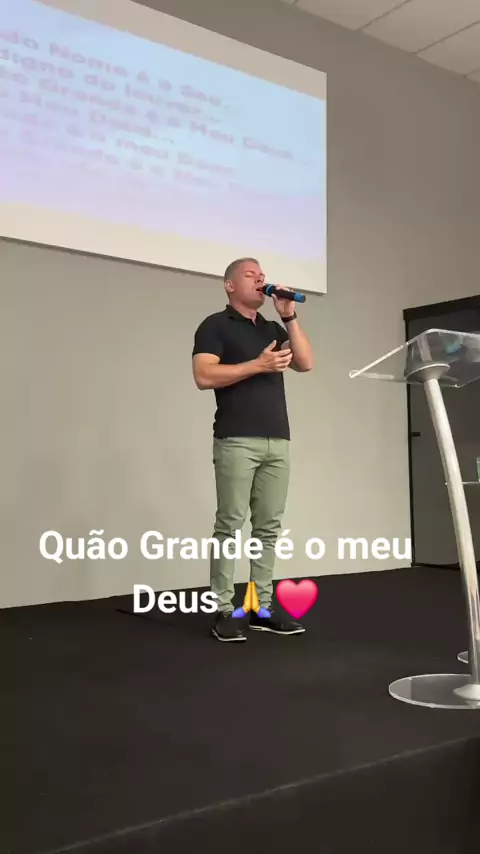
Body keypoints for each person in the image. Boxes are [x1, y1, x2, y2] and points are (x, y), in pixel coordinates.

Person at [192, 258, 314, 642]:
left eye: (262, 275)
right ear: (229, 285)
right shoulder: (215, 325)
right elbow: (203, 375)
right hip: (236, 439)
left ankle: (260, 607)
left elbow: (306, 363)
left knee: (268, 528)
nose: (261, 279)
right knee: (229, 524)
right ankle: (223, 609)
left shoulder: (272, 328)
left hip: (277, 439)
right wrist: (257, 365)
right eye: (250, 275)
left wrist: (289, 316)